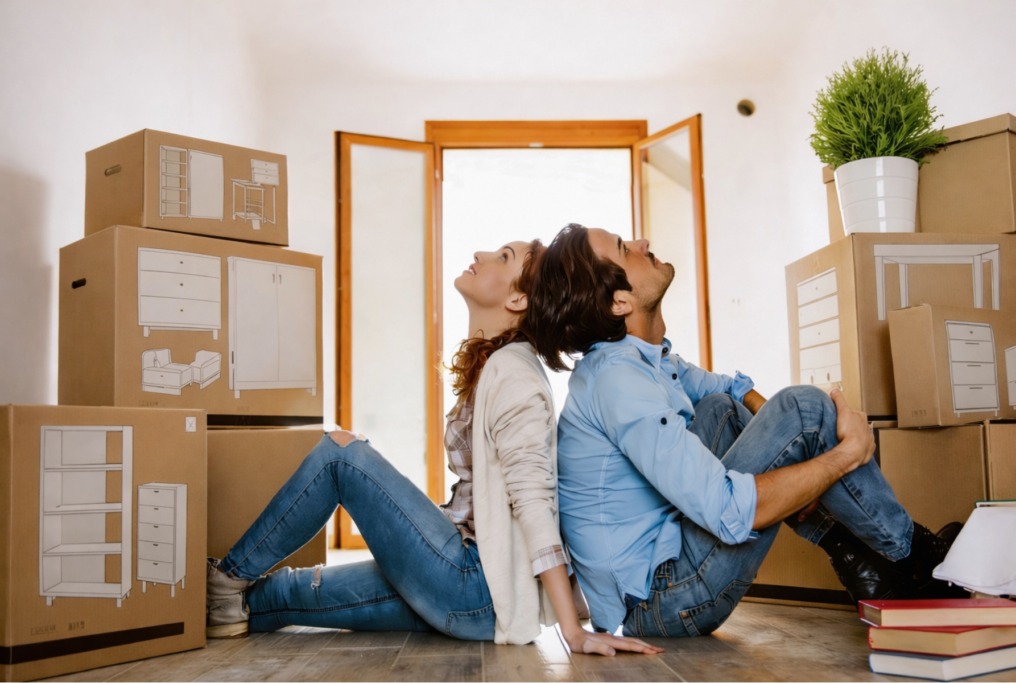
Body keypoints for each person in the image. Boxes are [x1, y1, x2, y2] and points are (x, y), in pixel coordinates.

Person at [205, 238, 662, 656]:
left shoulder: (515, 375)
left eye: (503, 257)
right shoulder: (497, 364)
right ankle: (221, 605)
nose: (481, 253)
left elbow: (534, 503)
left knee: (341, 455)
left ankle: (225, 579)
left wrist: (572, 630)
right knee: (285, 593)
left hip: (472, 585)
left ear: (518, 299)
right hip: (462, 586)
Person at [523, 223, 963, 638]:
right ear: (619, 303)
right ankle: (921, 559)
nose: (642, 243)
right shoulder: (620, 383)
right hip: (662, 599)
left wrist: (803, 463)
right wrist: (846, 453)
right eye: (625, 248)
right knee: (804, 409)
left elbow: (725, 389)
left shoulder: (643, 358)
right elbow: (729, 510)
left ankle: (862, 564)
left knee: (722, 410)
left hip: (667, 559)